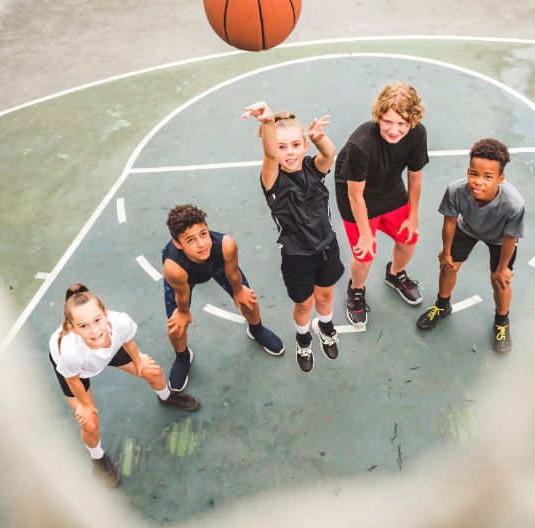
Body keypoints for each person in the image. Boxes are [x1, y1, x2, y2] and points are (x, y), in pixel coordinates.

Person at [49, 283, 199, 488]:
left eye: (97, 320)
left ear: (105, 313)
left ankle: (167, 397)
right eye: (83, 325)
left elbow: (128, 341)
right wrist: (86, 406)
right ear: (71, 328)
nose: (94, 330)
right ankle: (97, 457)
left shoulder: (119, 321)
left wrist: (138, 362)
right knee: (89, 423)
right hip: (77, 371)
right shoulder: (69, 352)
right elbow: (73, 379)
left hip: (109, 352)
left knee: (152, 370)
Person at [241, 101, 344, 373]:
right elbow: (271, 157)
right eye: (282, 146)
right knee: (304, 303)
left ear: (305, 146)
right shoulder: (272, 179)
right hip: (297, 255)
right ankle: (303, 338)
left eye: (295, 145)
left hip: (327, 247)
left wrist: (320, 139)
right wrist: (267, 124)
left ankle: (325, 326)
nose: (289, 152)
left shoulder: (314, 167)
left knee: (325, 296)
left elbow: (330, 155)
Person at [334, 82, 429, 326]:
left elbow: (415, 176)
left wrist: (414, 215)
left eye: (401, 123)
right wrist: (366, 234)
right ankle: (356, 290)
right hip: (356, 195)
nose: (394, 130)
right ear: (378, 115)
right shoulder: (361, 144)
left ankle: (395, 274)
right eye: (387, 121)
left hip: (389, 188)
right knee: (365, 254)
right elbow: (355, 195)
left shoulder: (418, 134)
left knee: (409, 239)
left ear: (413, 120)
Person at [415, 138, 524, 353]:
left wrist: (502, 269)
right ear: (468, 172)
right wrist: (446, 253)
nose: (478, 181)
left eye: (488, 177)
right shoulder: (456, 190)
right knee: (448, 266)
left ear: (501, 178)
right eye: (474, 174)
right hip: (468, 228)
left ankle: (502, 321)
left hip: (500, 239)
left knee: (500, 282)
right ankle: (442, 305)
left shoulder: (514, 203)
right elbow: (449, 222)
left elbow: (511, 237)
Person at [162, 204, 284, 389]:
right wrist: (183, 312)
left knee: (248, 300)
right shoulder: (173, 268)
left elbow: (233, 274)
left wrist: (238, 291)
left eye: (203, 234)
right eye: (191, 239)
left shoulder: (226, 245)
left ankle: (256, 330)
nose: (202, 243)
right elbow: (182, 293)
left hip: (217, 265)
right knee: (176, 327)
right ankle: (183, 357)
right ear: (178, 244)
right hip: (186, 277)